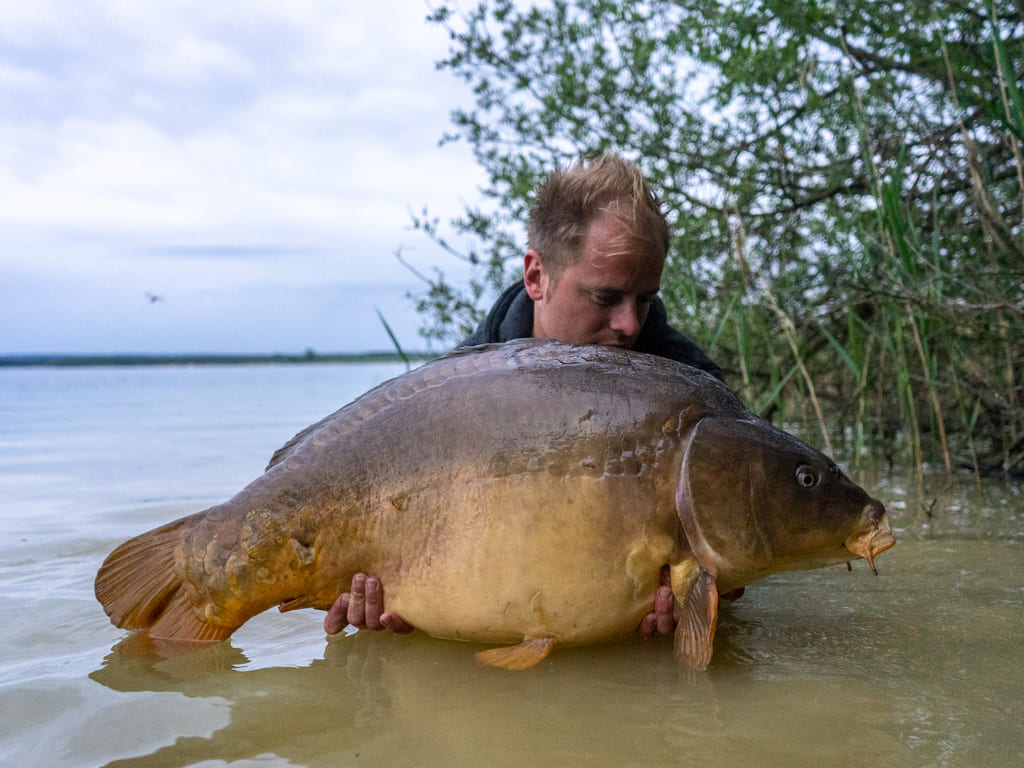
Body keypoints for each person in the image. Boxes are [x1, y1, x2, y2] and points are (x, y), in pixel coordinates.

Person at [324, 153, 723, 639]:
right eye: (605, 297)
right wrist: (411, 602)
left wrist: (710, 590)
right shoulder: (451, 394)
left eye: (645, 299)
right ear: (536, 276)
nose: (629, 324)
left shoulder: (695, 395)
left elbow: (739, 551)